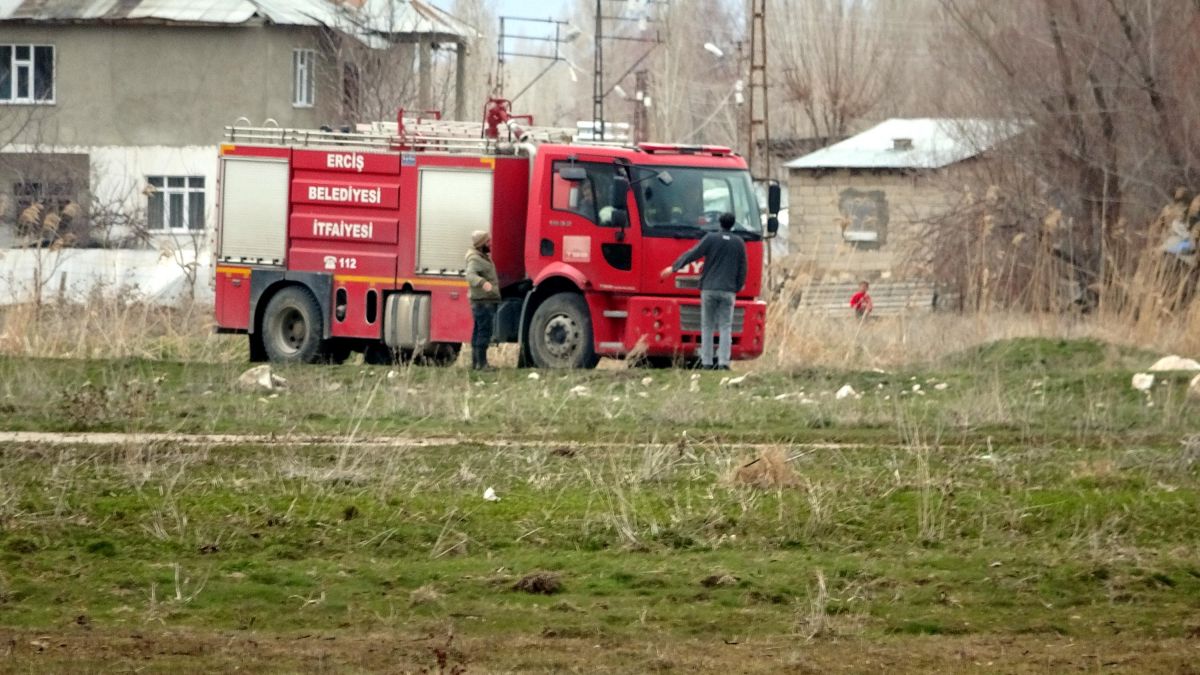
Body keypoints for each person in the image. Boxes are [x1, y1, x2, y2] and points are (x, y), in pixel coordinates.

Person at [659, 212, 747, 370]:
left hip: (709, 288)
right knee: (726, 326)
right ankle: (723, 363)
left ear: (720, 223)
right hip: (728, 290)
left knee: (707, 325)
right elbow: (743, 269)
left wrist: (674, 267)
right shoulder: (739, 243)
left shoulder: (711, 238)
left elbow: (693, 254)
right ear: (733, 224)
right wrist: (737, 287)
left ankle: (706, 362)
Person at [465, 230, 501, 370]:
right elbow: (470, 275)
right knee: (484, 332)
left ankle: (476, 363)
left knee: (478, 331)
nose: (489, 243)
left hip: (483, 301)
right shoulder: (475, 259)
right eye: (487, 241)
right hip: (482, 301)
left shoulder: (482, 257)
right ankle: (482, 364)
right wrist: (483, 283)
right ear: (480, 244)